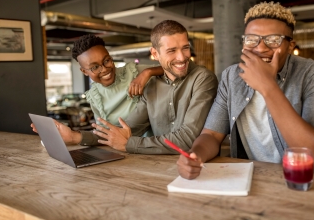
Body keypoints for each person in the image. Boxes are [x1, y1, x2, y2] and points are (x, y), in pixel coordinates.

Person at [177, 2, 314, 179]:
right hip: (253, 179)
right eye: (252, 39)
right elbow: (212, 135)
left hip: (308, 182)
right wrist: (196, 155)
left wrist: (267, 86)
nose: (261, 48)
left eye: (273, 40)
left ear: (290, 46)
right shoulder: (231, 77)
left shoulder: (313, 74)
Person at [87, 20, 218, 154]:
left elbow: (188, 138)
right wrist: (78, 137)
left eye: (185, 48)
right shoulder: (152, 85)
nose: (182, 57)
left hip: (197, 168)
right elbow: (129, 129)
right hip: (157, 168)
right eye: (172, 51)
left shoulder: (203, 78)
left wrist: (129, 144)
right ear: (155, 54)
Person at [31, 34, 164, 144]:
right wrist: (71, 135)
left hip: (151, 145)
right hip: (122, 151)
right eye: (95, 67)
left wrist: (148, 72)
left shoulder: (133, 72)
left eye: (106, 61)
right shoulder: (95, 96)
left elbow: (173, 69)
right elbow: (104, 135)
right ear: (84, 71)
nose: (105, 69)